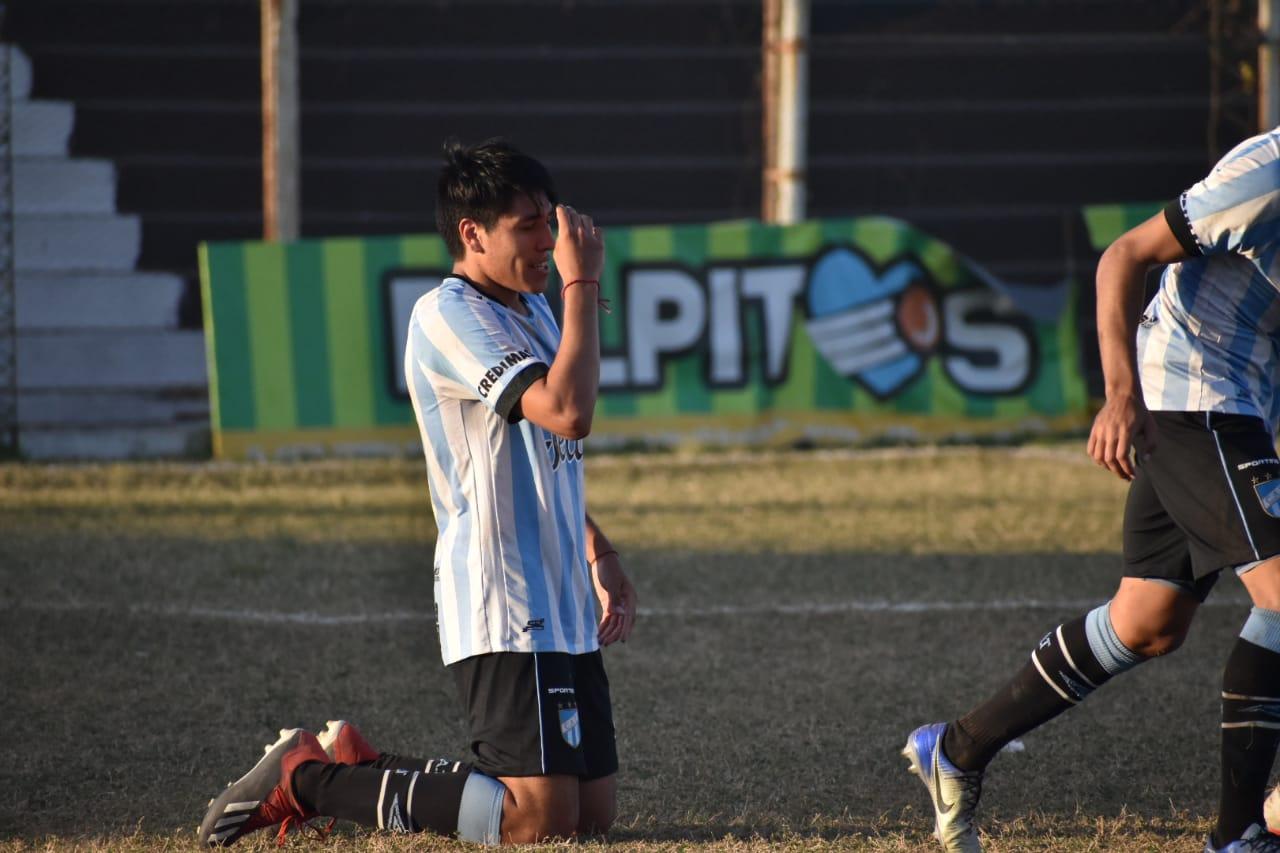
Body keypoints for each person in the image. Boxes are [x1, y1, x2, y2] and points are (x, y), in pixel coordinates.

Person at [198, 139, 638, 846]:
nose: (547, 240)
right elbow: (569, 410)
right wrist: (581, 285)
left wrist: (598, 546)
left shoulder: (531, 309)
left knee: (591, 817)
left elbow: (544, 452)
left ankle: (364, 764)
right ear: (473, 234)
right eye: (528, 224)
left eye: (550, 222)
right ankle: (304, 777)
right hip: (505, 596)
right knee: (537, 821)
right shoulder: (448, 313)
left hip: (560, 596)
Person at [904, 127, 1280, 853]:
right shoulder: (1269, 173)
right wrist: (1119, 396)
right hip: (1192, 400)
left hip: (1243, 409)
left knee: (1147, 621)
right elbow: (1125, 255)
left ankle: (956, 748)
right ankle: (1237, 835)